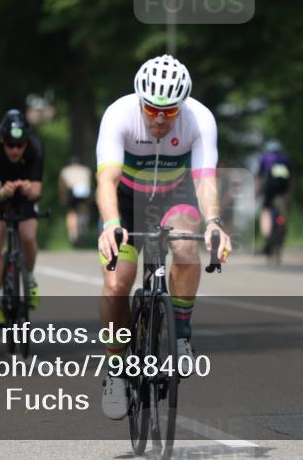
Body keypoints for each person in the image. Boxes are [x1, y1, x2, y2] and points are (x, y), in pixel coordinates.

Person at [95, 54, 231, 420]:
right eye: (152, 109)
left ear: (181, 107)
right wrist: (110, 224)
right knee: (116, 283)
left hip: (175, 196)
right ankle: (116, 368)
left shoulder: (199, 119)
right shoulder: (119, 115)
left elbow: (204, 178)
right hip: (125, 202)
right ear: (140, 100)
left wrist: (214, 222)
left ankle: (181, 334)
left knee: (187, 246)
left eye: (169, 112)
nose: (159, 118)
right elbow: (106, 180)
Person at [0, 109, 45, 326]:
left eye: (20, 145)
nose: (15, 150)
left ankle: (29, 279)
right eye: (10, 144)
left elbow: (37, 191)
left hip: (23, 194)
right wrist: (4, 192)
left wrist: (27, 189)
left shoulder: (36, 147)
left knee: (28, 236)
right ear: (2, 140)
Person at [257, 140, 291, 255]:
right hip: (282, 188)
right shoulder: (285, 159)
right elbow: (291, 178)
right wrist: (288, 193)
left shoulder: (265, 158)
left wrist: (256, 192)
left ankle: (268, 235)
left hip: (269, 187)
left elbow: (260, 178)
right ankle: (282, 223)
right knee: (282, 206)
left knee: (265, 210)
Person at [59, 156, 93, 245]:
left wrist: (63, 197)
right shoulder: (85, 170)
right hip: (84, 190)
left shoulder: (65, 170)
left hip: (72, 190)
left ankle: (73, 234)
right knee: (83, 209)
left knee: (71, 211)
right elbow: (89, 183)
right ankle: (83, 224)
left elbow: (63, 186)